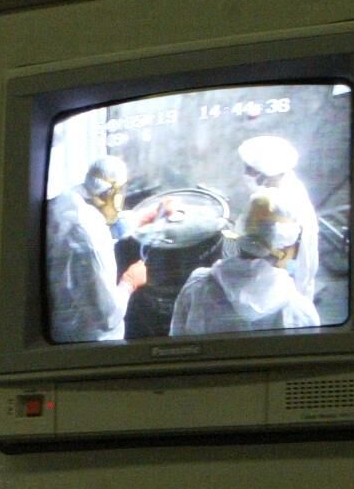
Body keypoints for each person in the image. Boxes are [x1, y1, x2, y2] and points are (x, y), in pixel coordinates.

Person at [168, 191, 322, 336]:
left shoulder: (197, 285)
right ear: (286, 246)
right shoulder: (300, 312)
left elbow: (178, 340)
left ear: (242, 230)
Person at [44, 154, 155, 342]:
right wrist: (130, 282)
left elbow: (104, 221)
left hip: (57, 329)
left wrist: (140, 218)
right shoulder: (90, 236)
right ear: (114, 192)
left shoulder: (63, 203)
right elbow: (108, 316)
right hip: (91, 341)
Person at [236, 135, 335, 317]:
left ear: (264, 173)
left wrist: (237, 238)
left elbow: (257, 248)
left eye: (249, 169)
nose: (246, 173)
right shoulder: (289, 181)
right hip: (287, 256)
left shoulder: (268, 201)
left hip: (276, 264)